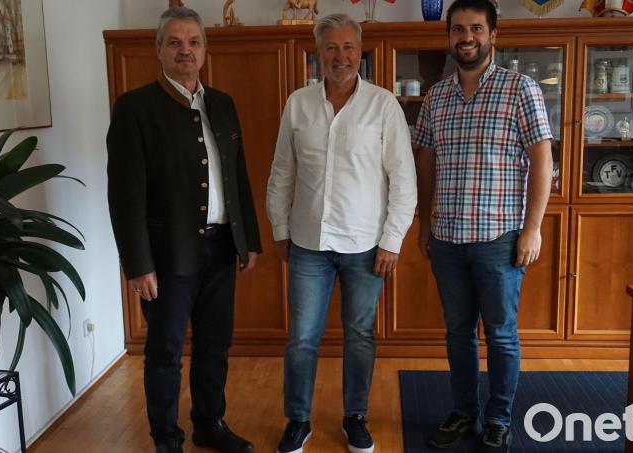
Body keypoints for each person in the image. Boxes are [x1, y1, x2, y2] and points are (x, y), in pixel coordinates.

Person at [106, 7, 260, 453]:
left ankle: (209, 424)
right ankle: (167, 440)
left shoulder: (223, 104)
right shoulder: (135, 108)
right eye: (174, 42)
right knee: (166, 353)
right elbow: (124, 194)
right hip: (166, 255)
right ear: (158, 50)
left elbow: (237, 176)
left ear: (205, 50)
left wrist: (248, 239)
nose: (185, 50)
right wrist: (137, 264)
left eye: (193, 42)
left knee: (215, 345)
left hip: (221, 248)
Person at [266, 13, 417, 453]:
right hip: (308, 244)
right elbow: (281, 173)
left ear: (360, 51)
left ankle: (355, 417)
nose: (341, 56)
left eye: (349, 47)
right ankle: (298, 419)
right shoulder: (297, 103)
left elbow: (402, 179)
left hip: (365, 245)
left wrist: (393, 240)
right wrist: (279, 228)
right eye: (331, 47)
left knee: (360, 336)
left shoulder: (383, 105)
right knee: (301, 339)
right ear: (318, 52)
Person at [412, 1, 553, 452]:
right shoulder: (436, 96)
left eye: (476, 28)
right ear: (449, 37)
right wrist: (424, 224)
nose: (466, 37)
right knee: (457, 334)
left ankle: (498, 418)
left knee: (501, 335)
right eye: (458, 29)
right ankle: (463, 412)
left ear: (493, 34)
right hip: (448, 239)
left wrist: (533, 229)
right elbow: (426, 161)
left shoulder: (521, 89)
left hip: (500, 238)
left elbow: (542, 160)